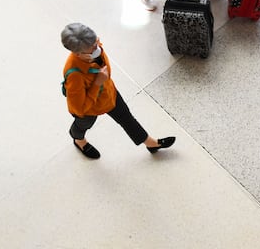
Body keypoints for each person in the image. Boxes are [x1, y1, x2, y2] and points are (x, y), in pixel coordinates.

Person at [61, 23, 175, 159]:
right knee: (83, 125)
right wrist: (97, 83)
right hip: (89, 109)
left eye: (96, 42)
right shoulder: (74, 74)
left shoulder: (93, 47)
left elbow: (103, 65)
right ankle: (78, 140)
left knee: (127, 118)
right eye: (92, 49)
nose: (98, 48)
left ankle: (151, 143)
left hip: (109, 94)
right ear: (78, 53)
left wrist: (102, 77)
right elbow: (80, 108)